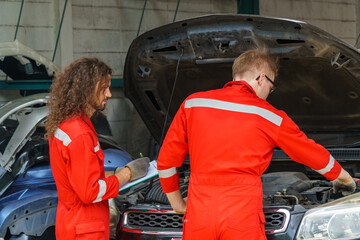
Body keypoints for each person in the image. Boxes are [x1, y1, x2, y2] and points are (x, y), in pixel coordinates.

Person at [156, 49, 356, 240]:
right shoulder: (270, 116)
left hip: (199, 211)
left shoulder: (193, 104)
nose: (270, 91)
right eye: (271, 85)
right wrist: (343, 177)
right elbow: (308, 151)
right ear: (262, 78)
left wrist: (178, 204)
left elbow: (166, 161)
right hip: (241, 213)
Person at [45, 57, 150, 240]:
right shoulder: (80, 134)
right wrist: (127, 174)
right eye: (104, 88)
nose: (108, 94)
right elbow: (90, 192)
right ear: (86, 89)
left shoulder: (71, 124)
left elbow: (80, 177)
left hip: (73, 223)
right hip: (85, 230)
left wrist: (115, 172)